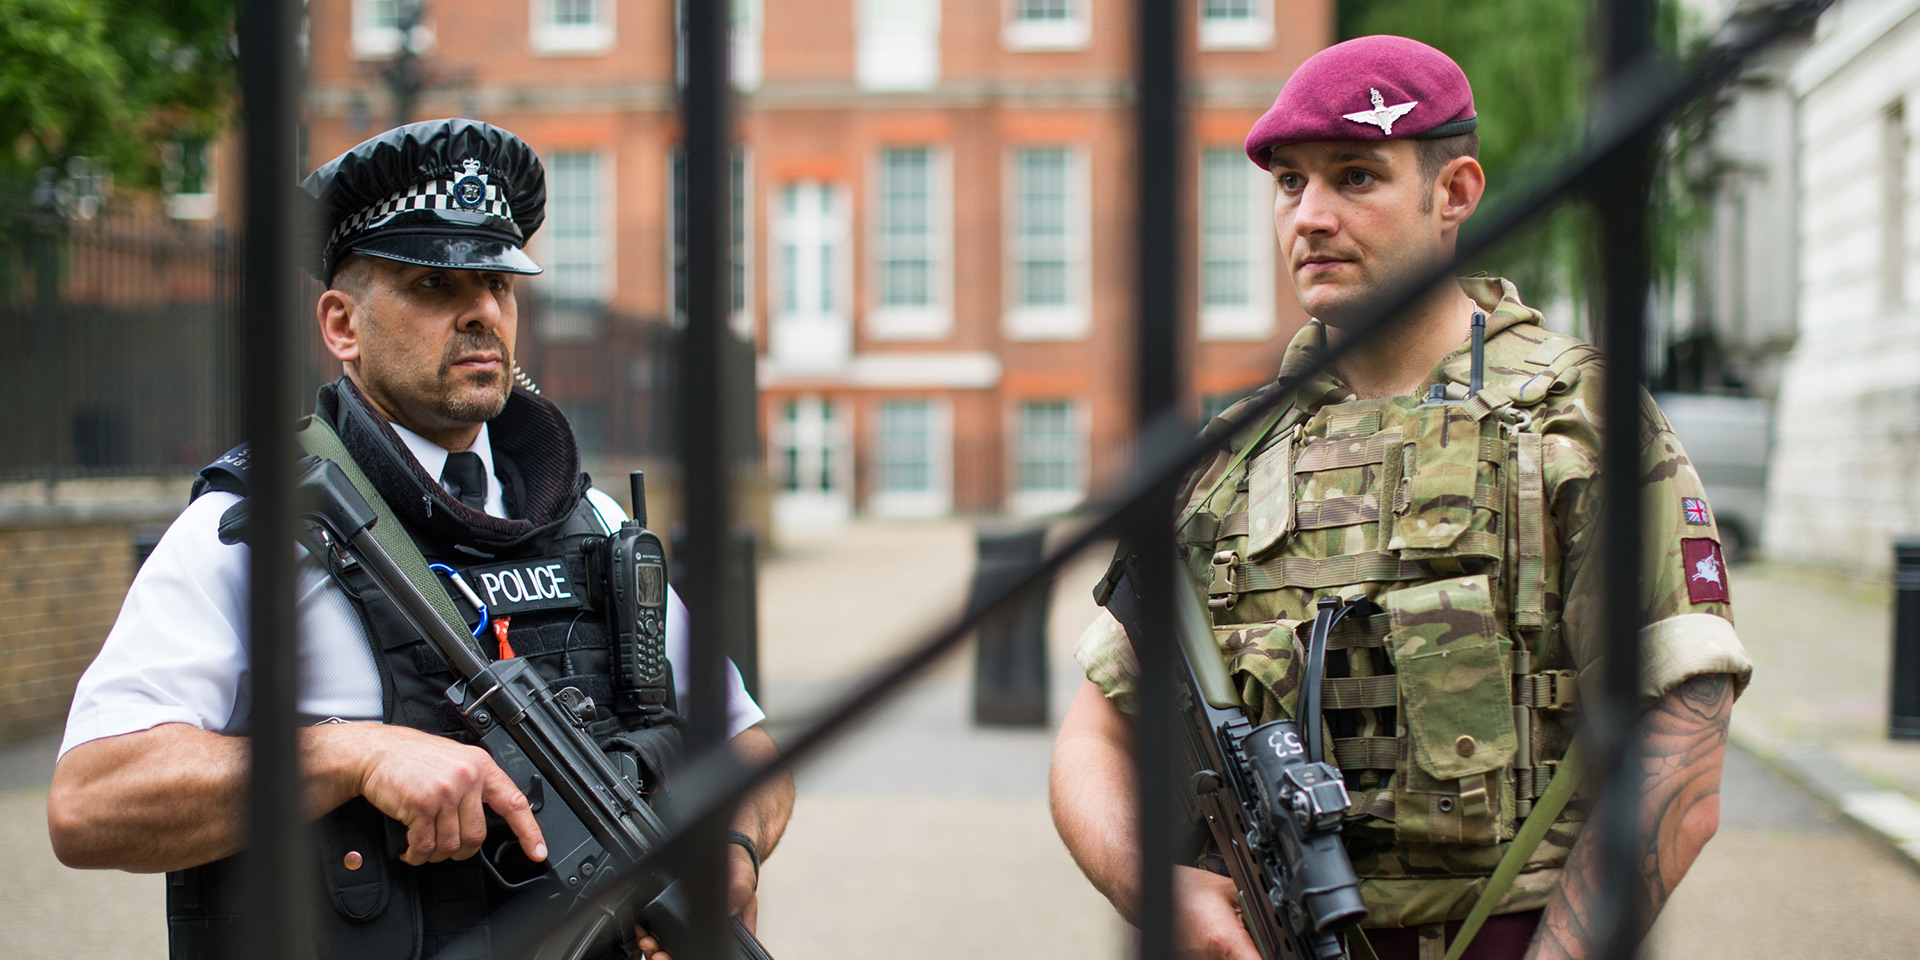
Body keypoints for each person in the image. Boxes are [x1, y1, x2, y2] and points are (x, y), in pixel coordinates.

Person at [1049, 36, 1752, 960]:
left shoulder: (1574, 422)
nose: (1312, 216)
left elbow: (1681, 746)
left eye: (1356, 176)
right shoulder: (1227, 455)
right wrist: (1155, 889)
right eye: (1290, 184)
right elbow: (1094, 734)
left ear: (1454, 192)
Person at [46, 119, 793, 960]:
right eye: (434, 285)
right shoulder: (251, 531)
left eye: (498, 287)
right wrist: (348, 755)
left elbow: (743, 741)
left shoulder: (594, 527)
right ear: (342, 327)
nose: (481, 311)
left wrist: (731, 849)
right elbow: (90, 802)